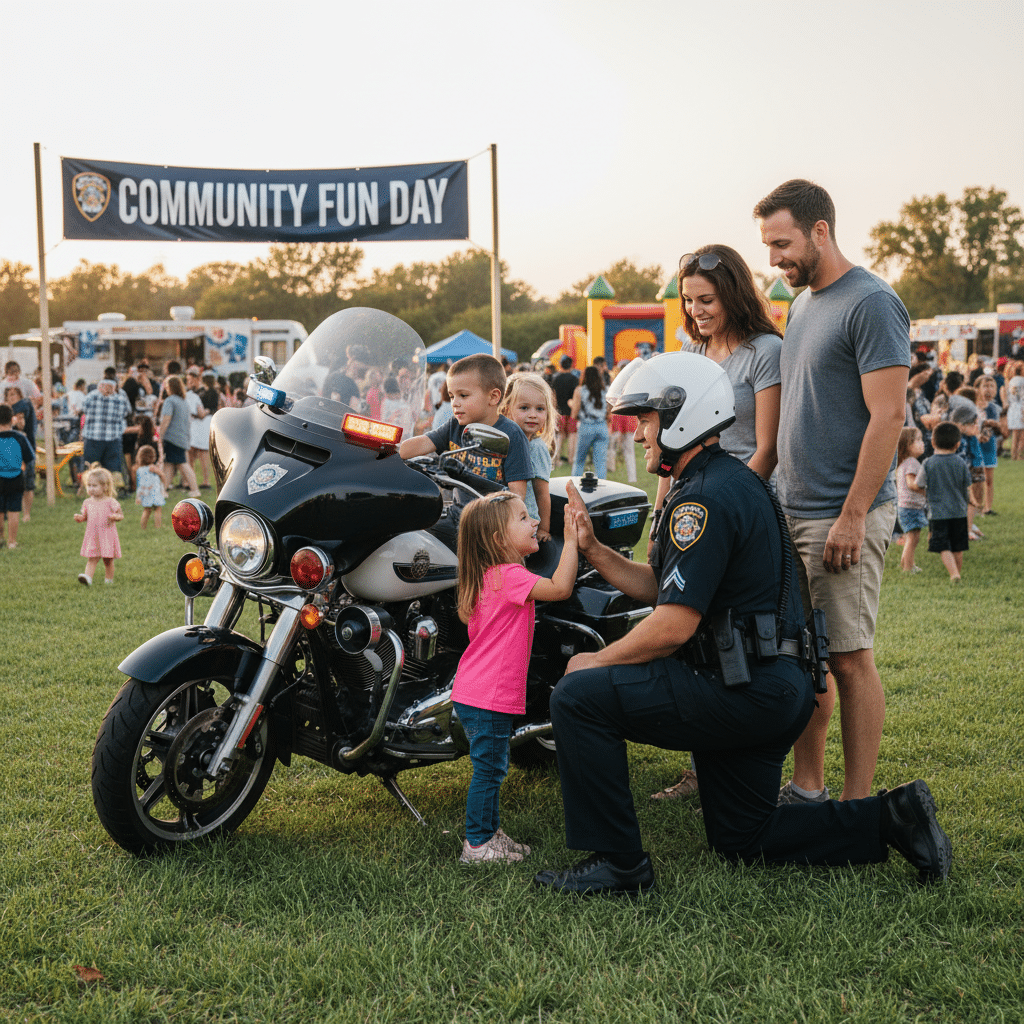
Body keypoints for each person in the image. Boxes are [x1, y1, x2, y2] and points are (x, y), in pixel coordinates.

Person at [531, 352, 950, 896]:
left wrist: (594, 661)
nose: (638, 435)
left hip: (741, 687)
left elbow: (674, 624)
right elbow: (666, 584)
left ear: (681, 415)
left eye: (646, 420)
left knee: (577, 697)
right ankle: (893, 817)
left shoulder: (700, 499)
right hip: (769, 687)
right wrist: (593, 551)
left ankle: (619, 866)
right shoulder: (721, 480)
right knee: (743, 835)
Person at [754, 179, 910, 804]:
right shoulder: (803, 306)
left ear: (821, 231)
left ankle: (857, 804)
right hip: (791, 510)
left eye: (783, 243)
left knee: (848, 658)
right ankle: (809, 786)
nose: (773, 260)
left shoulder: (870, 303)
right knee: (803, 658)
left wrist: (851, 516)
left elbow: (889, 416)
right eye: (767, 246)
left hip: (842, 515)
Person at [649, 244, 783, 802]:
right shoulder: (691, 350)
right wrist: (663, 505)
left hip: (743, 505)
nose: (697, 310)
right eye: (688, 300)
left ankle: (753, 769)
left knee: (743, 643)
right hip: (691, 504)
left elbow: (769, 445)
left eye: (706, 299)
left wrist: (728, 505)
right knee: (693, 642)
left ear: (732, 292)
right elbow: (668, 438)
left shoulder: (765, 351)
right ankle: (700, 772)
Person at [453, 492, 579, 863]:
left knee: (492, 766)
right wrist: (570, 541)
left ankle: (489, 834)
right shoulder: (509, 576)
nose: (535, 522)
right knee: (490, 770)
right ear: (498, 540)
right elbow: (560, 588)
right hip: (488, 694)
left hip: (478, 692)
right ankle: (477, 845)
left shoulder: (487, 577)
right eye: (524, 518)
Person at [399, 354, 530, 502]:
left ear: (493, 397)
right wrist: (391, 450)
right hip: (460, 513)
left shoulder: (511, 434)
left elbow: (517, 494)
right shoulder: (455, 426)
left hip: (493, 518)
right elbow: (422, 443)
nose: (454, 403)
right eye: (452, 396)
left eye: (463, 395)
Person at [915, 422, 977, 584]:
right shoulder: (961, 463)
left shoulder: (928, 463)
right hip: (959, 512)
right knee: (958, 547)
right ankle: (958, 572)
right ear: (957, 445)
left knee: (942, 545)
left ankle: (953, 574)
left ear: (933, 442)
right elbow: (967, 487)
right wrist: (971, 501)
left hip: (938, 513)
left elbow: (919, 484)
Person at [499, 372, 557, 541]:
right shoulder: (504, 442)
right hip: (503, 519)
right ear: (507, 409)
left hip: (526, 524)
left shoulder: (536, 448)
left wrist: (543, 529)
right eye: (524, 408)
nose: (533, 415)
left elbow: (542, 494)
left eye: (540, 409)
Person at [75, 465, 123, 585]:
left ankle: (109, 581)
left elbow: (120, 515)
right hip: (93, 535)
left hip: (107, 535)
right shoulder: (87, 502)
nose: (91, 489)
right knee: (92, 559)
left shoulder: (110, 502)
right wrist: (80, 518)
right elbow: (85, 517)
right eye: (89, 485)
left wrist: (115, 517)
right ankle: (87, 578)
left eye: (94, 486)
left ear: (105, 486)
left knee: (108, 560)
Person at [158, 375, 202, 498]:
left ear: (170, 387)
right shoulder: (183, 401)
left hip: (172, 438)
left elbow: (166, 419)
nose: (166, 389)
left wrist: (159, 435)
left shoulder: (170, 401)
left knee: (182, 464)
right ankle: (163, 490)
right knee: (169, 464)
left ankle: (195, 489)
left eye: (166, 386)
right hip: (182, 437)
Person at [81, 377, 133, 477]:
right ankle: (110, 488)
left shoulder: (91, 396)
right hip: (113, 438)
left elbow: (83, 409)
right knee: (112, 469)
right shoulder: (121, 399)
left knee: (91, 467)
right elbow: (127, 412)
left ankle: (90, 487)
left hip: (93, 437)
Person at [0, 403, 35, 550]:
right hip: (16, 477)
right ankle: (12, 542)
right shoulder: (20, 437)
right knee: (14, 510)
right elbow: (29, 457)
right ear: (11, 419)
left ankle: (0, 538)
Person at [895, 427, 927, 574]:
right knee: (913, 538)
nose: (923, 443)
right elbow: (911, 484)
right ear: (907, 444)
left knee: (911, 537)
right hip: (911, 507)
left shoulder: (904, 462)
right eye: (918, 440)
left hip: (905, 507)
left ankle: (906, 564)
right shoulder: (912, 463)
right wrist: (926, 489)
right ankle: (908, 568)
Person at [4, 384, 37, 523]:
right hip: (9, 450)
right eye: (8, 395)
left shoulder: (23, 406)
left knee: (27, 483)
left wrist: (14, 418)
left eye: (13, 394)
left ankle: (26, 514)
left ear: (19, 396)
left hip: (24, 449)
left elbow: (21, 425)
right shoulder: (7, 411)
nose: (10, 397)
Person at [570, 365, 609, 478]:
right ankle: (602, 489)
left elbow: (574, 413)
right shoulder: (605, 390)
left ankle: (575, 486)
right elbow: (608, 410)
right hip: (602, 426)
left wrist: (571, 404)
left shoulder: (580, 390)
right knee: (600, 463)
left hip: (586, 426)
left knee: (579, 460)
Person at [975, 375, 1004, 514]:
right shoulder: (972, 406)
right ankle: (975, 506)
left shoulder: (994, 408)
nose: (989, 389)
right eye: (985, 386)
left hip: (989, 445)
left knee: (988, 479)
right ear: (978, 388)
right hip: (974, 445)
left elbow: (1000, 431)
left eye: (992, 386)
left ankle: (988, 508)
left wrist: (997, 426)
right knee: (975, 479)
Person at [551, 355, 579, 466]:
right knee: (572, 436)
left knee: (560, 436)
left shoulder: (556, 378)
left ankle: (556, 458)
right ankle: (571, 459)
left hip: (559, 411)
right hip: (572, 412)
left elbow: (553, 396)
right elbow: (576, 397)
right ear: (571, 365)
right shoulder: (574, 379)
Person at [134, 444, 167, 529]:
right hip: (154, 492)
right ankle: (158, 526)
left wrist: (138, 496)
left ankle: (143, 527)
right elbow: (162, 475)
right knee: (157, 509)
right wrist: (164, 485)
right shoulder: (152, 467)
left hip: (145, 492)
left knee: (147, 510)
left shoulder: (139, 470)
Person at [1003, 360, 1024, 460]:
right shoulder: (1023, 381)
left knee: (1015, 435)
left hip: (1013, 408)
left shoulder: (1011, 381)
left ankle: (1013, 455)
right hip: (1021, 408)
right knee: (1022, 435)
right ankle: (1020, 455)